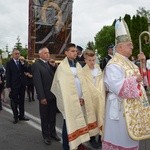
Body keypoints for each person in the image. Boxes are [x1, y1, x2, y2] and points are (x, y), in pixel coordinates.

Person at [102, 19, 150, 150]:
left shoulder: (130, 63)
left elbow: (143, 83)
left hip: (132, 108)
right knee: (120, 139)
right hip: (120, 108)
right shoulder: (113, 64)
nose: (132, 47)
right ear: (120, 47)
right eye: (129, 45)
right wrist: (135, 80)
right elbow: (118, 87)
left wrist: (143, 64)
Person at [51, 43, 100, 150]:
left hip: (80, 100)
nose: (75, 53)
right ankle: (66, 147)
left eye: (76, 51)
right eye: (72, 51)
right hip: (69, 101)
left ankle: (79, 144)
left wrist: (82, 97)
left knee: (79, 122)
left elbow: (83, 83)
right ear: (66, 53)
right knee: (68, 124)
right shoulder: (62, 68)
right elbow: (60, 88)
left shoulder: (78, 65)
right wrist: (73, 99)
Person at [32, 47, 60, 145]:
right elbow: (37, 82)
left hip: (52, 95)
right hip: (44, 96)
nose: (48, 55)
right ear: (40, 55)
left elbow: (53, 77)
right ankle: (46, 136)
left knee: (52, 116)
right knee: (45, 117)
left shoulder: (48, 64)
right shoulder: (36, 65)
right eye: (45, 53)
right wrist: (42, 97)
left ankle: (53, 133)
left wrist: (53, 66)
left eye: (48, 53)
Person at [82, 49, 105, 149]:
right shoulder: (83, 71)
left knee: (101, 116)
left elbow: (101, 82)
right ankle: (91, 138)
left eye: (93, 60)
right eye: (90, 60)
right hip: (90, 98)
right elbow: (82, 86)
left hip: (100, 97)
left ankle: (100, 137)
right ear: (85, 60)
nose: (92, 62)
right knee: (91, 117)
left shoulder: (98, 68)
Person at [6, 48, 29, 124]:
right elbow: (8, 75)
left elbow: (26, 70)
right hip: (14, 86)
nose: (17, 55)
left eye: (18, 53)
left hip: (22, 85)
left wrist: (23, 63)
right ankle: (15, 117)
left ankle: (21, 116)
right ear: (12, 54)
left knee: (22, 101)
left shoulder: (21, 62)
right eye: (16, 54)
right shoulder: (9, 63)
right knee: (14, 102)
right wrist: (8, 86)